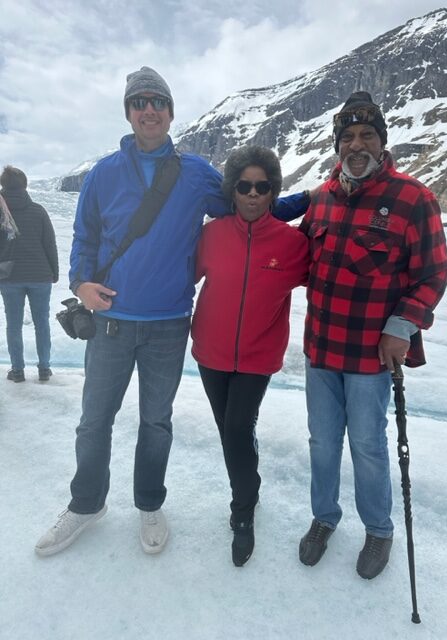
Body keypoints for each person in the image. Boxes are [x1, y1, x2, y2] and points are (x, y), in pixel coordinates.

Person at [35, 67, 310, 557]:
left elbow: (247, 206)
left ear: (170, 112)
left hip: (167, 325)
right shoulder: (102, 173)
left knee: (156, 422)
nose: (148, 110)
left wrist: (311, 199)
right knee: (94, 420)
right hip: (112, 321)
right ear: (128, 112)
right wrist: (80, 282)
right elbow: (85, 237)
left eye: (157, 101)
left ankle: (149, 502)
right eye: (139, 102)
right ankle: (85, 503)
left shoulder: (196, 172)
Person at [298, 91, 447, 579]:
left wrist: (401, 327)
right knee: (322, 442)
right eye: (348, 137)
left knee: (367, 444)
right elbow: (294, 258)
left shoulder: (414, 198)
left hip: (370, 356)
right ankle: (324, 518)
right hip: (320, 348)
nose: (357, 145)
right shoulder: (321, 198)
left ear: (383, 143)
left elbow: (434, 272)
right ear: (337, 146)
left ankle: (379, 530)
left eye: (367, 135)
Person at [191, 146, 309, 566]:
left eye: (263, 186)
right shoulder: (212, 235)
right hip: (210, 352)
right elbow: (179, 277)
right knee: (230, 430)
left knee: (238, 427)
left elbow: (330, 279)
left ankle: (243, 510)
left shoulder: (294, 243)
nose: (253, 194)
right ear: (233, 190)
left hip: (258, 357)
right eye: (245, 186)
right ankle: (249, 488)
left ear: (274, 190)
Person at [0, 166, 58, 383]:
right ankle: (44, 369)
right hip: (40, 275)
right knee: (42, 323)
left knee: (13, 324)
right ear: (24, 185)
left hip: (9, 277)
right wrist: (54, 272)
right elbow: (49, 244)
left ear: (3, 185)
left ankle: (17, 371)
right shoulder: (38, 210)